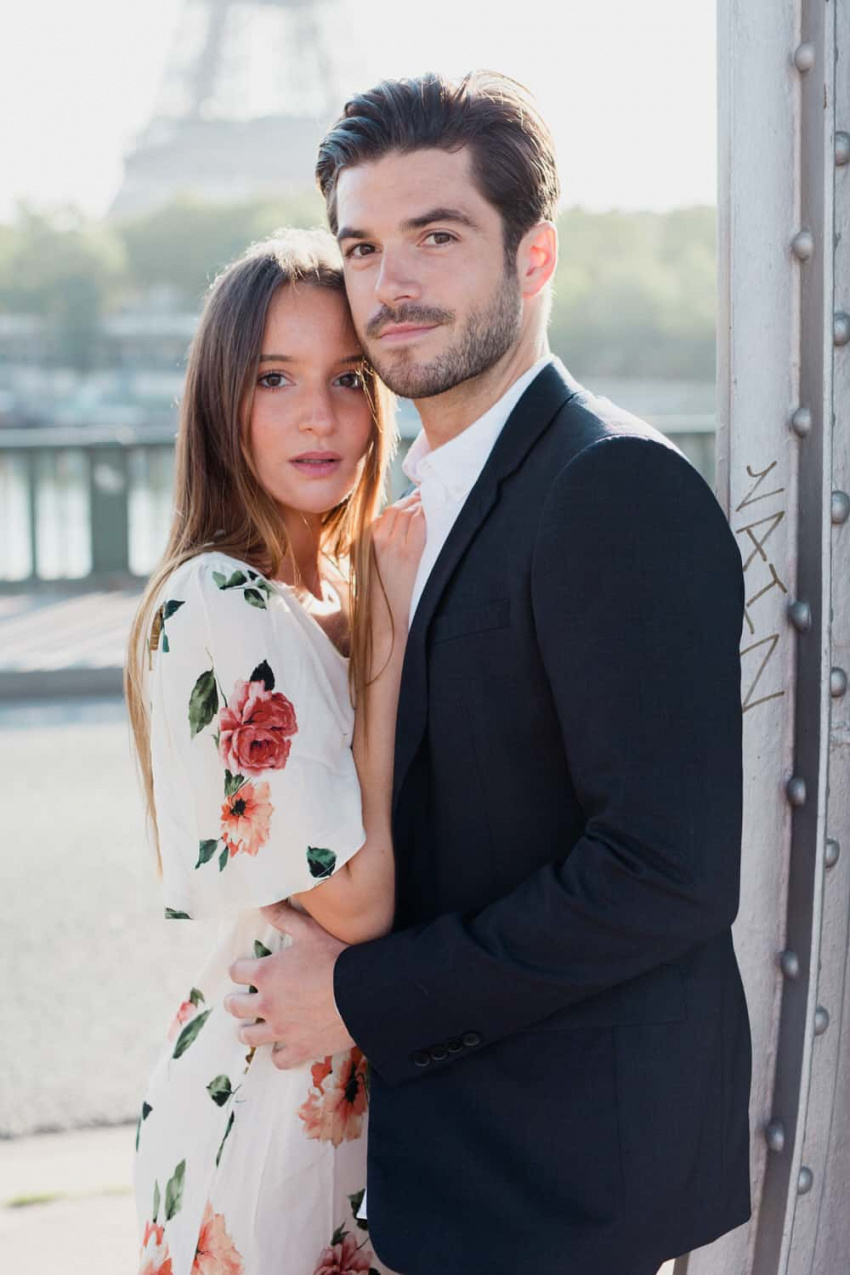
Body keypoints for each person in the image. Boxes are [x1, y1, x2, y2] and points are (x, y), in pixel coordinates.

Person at [225, 73, 753, 1275]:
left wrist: (361, 995)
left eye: (437, 236)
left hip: (559, 1181)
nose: (390, 285)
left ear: (534, 256)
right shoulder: (420, 505)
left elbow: (663, 874)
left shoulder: (609, 486)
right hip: (455, 1163)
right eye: (363, 246)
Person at [124, 227, 424, 1275]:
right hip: (273, 1105)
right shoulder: (224, 598)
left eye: (348, 377)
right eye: (274, 378)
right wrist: (385, 647)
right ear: (223, 402)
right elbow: (358, 903)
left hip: (346, 1085)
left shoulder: (332, 592)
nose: (319, 416)